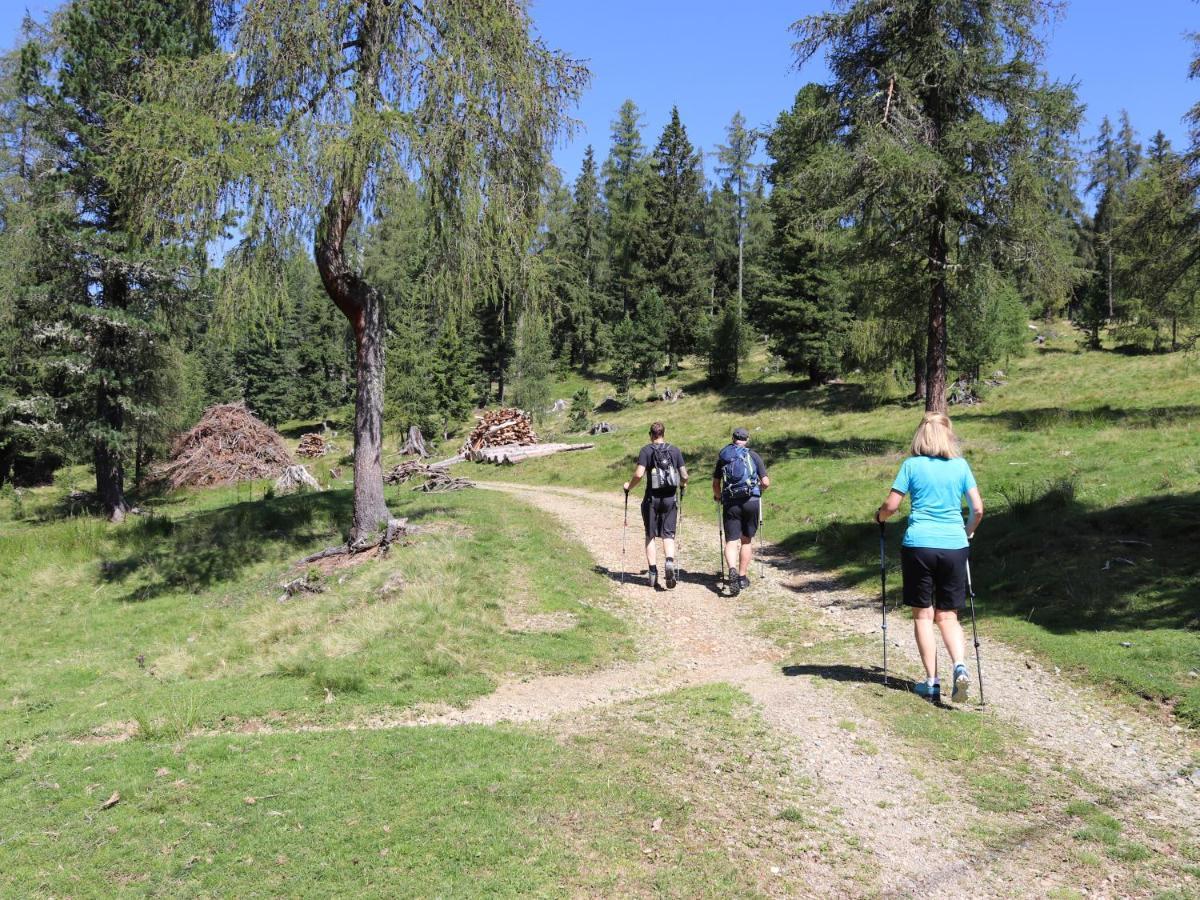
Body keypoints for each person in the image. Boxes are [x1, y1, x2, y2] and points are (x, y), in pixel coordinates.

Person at [875, 412, 984, 704]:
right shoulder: (960, 466)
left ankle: (932, 682)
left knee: (923, 613)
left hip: (919, 544)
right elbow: (978, 509)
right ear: (948, 436)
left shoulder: (911, 465)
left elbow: (892, 505)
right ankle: (959, 666)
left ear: (920, 436)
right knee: (948, 615)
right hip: (954, 545)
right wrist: (967, 532)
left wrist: (880, 517)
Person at [623, 422, 689, 589]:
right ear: (663, 434)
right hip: (670, 499)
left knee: (650, 535)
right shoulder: (674, 450)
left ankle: (653, 572)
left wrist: (628, 487)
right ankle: (669, 561)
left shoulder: (647, 450)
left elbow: (639, 474)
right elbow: (684, 475)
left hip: (651, 499)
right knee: (668, 534)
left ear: (650, 434)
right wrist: (682, 484)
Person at [711, 427, 769, 596]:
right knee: (746, 540)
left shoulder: (724, 456)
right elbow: (765, 482)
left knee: (731, 540)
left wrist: (718, 496)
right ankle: (742, 577)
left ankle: (732, 570)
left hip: (731, 502)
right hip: (751, 500)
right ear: (747, 439)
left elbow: (716, 483)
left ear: (733, 438)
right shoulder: (753, 455)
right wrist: (757, 490)